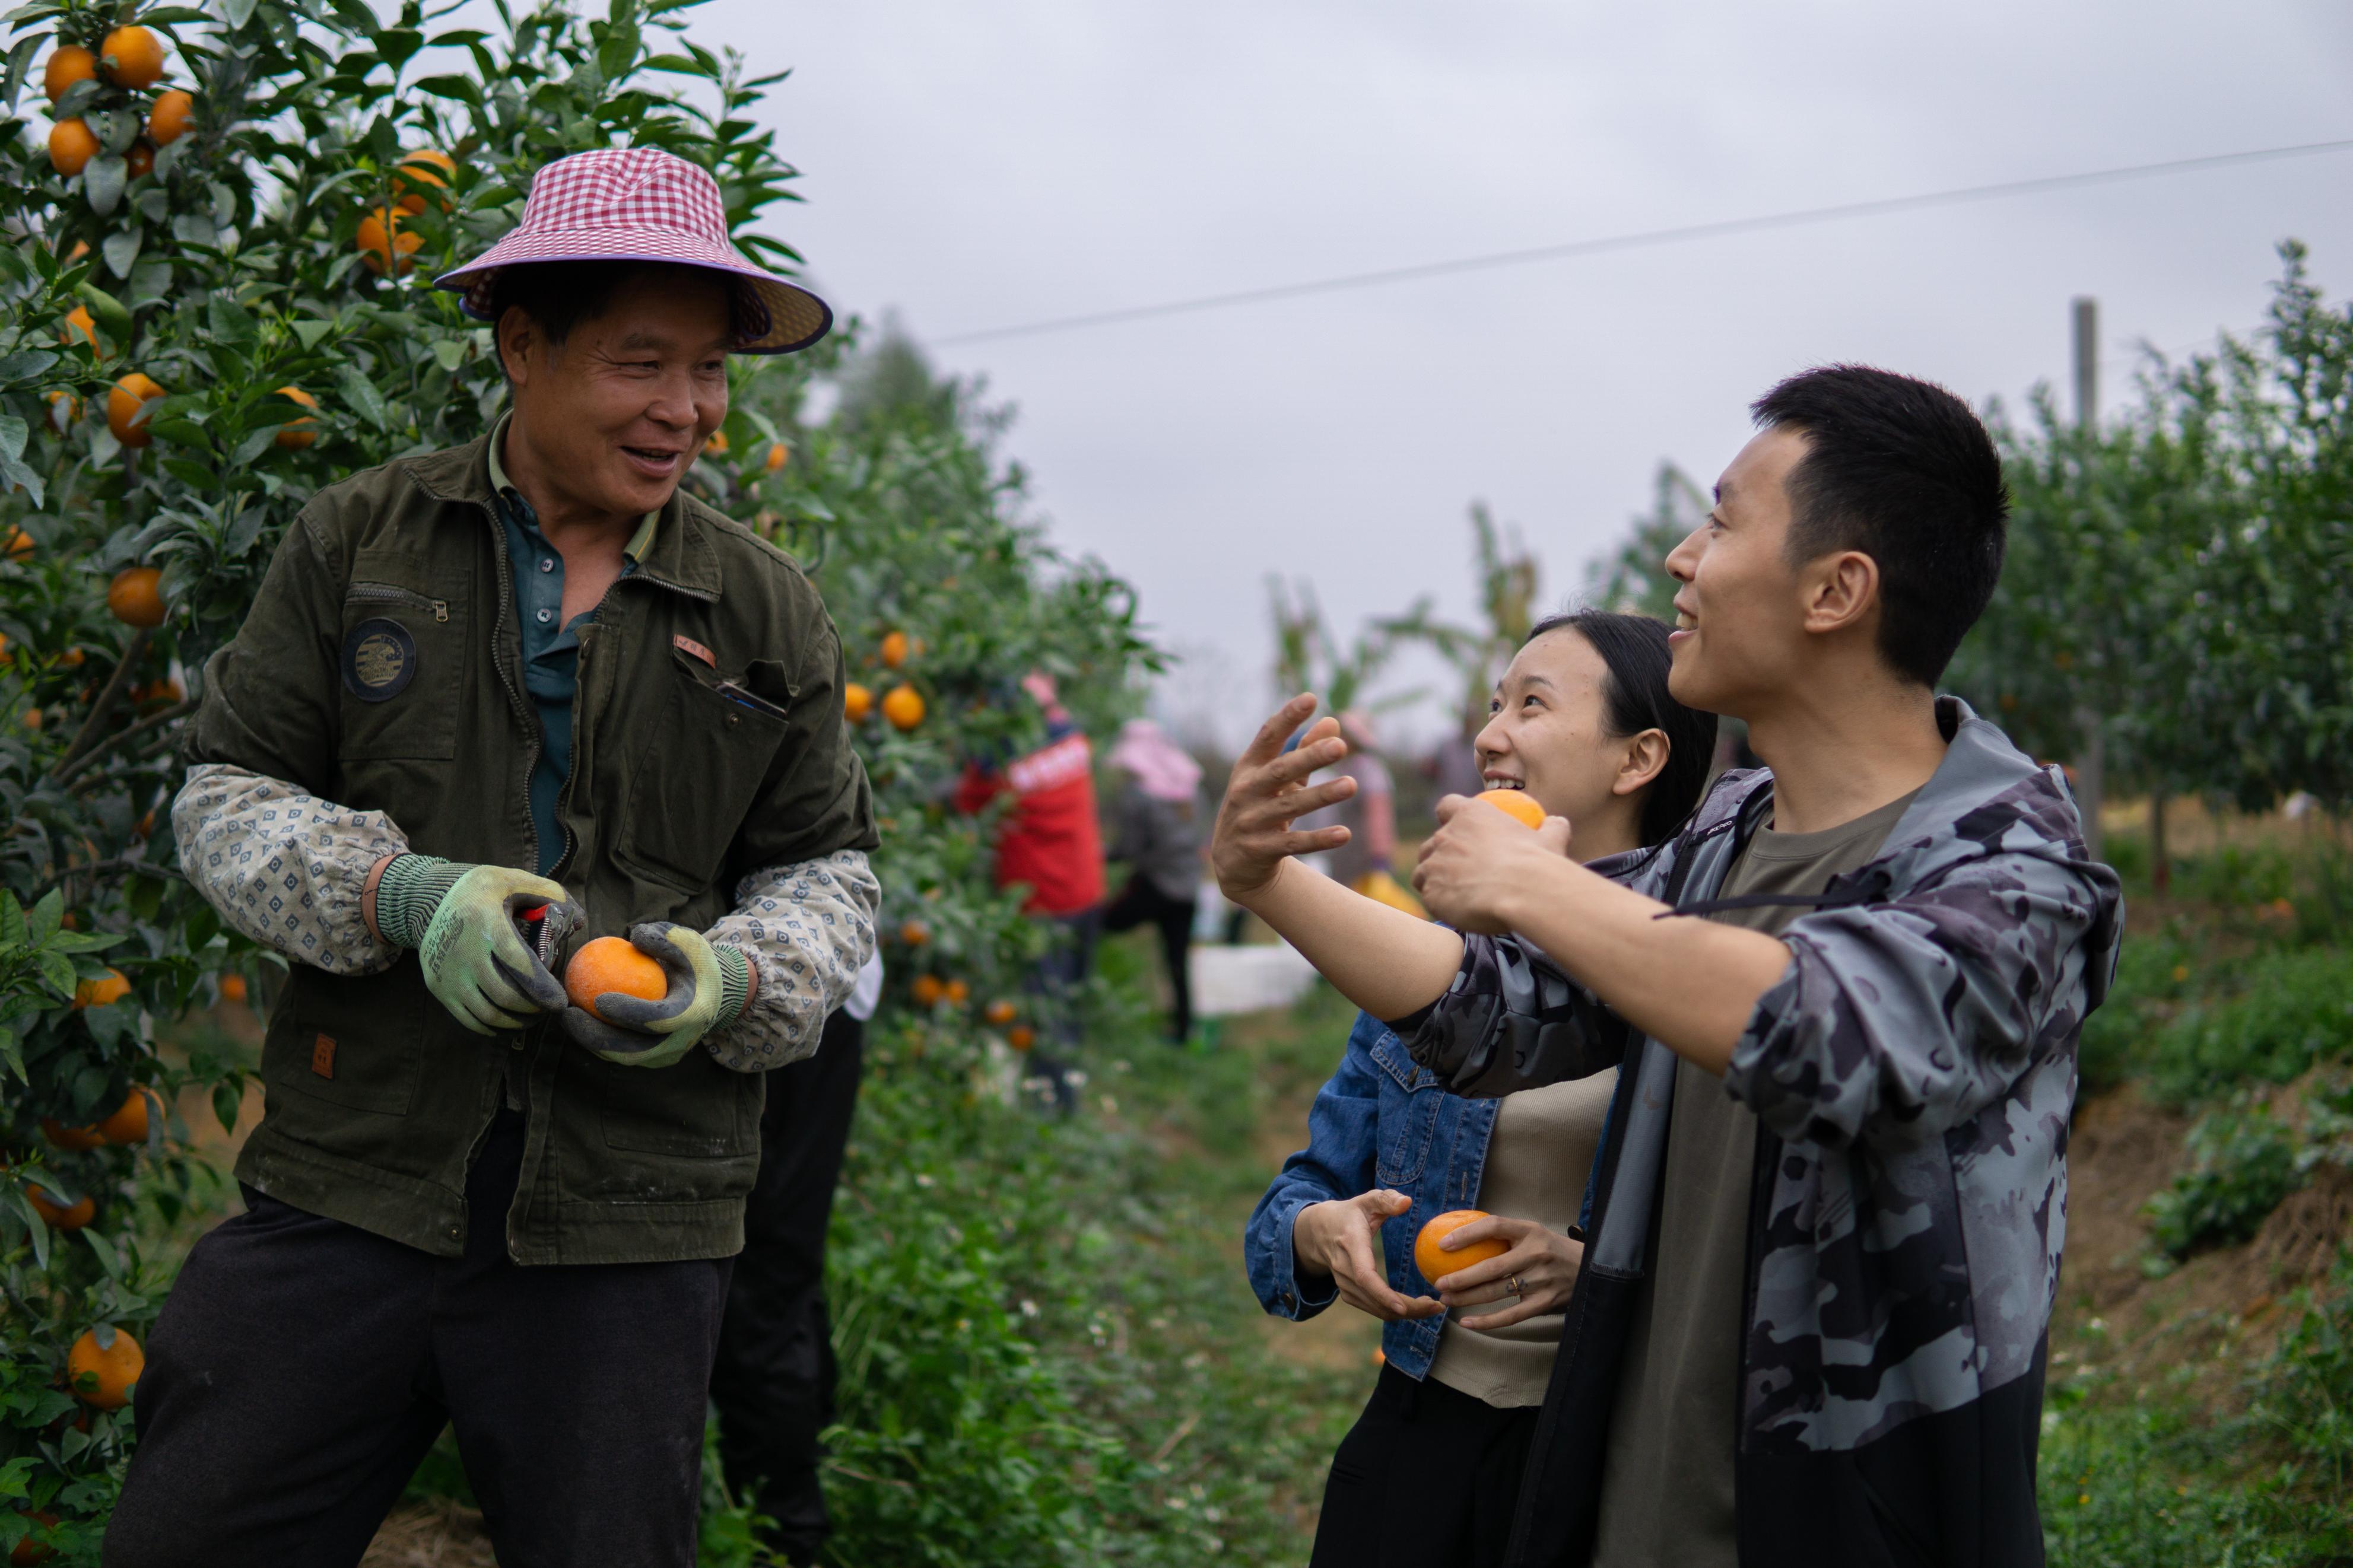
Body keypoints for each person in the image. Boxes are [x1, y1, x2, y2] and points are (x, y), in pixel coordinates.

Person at [109, 148, 879, 1568]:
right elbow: (224, 796)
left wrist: (729, 975)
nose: (685, 411)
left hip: (630, 1223)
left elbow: (831, 877)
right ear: (523, 344)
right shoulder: (360, 538)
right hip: (353, 1180)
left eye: (709, 371)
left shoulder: (766, 606)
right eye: (640, 363)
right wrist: (404, 893)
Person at [1214, 366, 2122, 1568]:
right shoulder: (1720, 839)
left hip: (1847, 1521)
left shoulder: (2009, 854)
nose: (1678, 561)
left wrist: (1532, 883)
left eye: (1721, 520)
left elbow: (1834, 1036)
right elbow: (1498, 1008)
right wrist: (1264, 881)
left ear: (1834, 588)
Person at [1244, 612, 1715, 1568]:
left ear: (1640, 756)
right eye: (1494, 703)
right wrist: (1315, 1229)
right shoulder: (1430, 972)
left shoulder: (1700, 981)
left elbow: (1748, 1262)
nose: (1489, 733)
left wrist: (1599, 1277)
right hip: (1422, 1432)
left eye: (1530, 704)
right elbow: (1290, 1201)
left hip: (1604, 1452)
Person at [711, 952, 882, 1567]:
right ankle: (787, 1504)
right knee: (779, 1261)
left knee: (764, 1269)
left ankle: (783, 1535)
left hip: (775, 995)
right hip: (796, 984)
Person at [954, 672, 1104, 1103]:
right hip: (1086, 889)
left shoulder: (995, 771)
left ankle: (1051, 1105)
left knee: (1044, 1012)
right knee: (1070, 1002)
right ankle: (1067, 1093)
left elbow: (966, 804)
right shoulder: (1074, 742)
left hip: (1041, 904)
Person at [1101, 718, 1205, 1042]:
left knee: (1097, 924)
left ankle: (1085, 999)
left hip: (1155, 885)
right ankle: (1184, 1030)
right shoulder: (1191, 789)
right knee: (1177, 962)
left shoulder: (1138, 794)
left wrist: (1100, 855)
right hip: (1188, 887)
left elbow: (1129, 848)